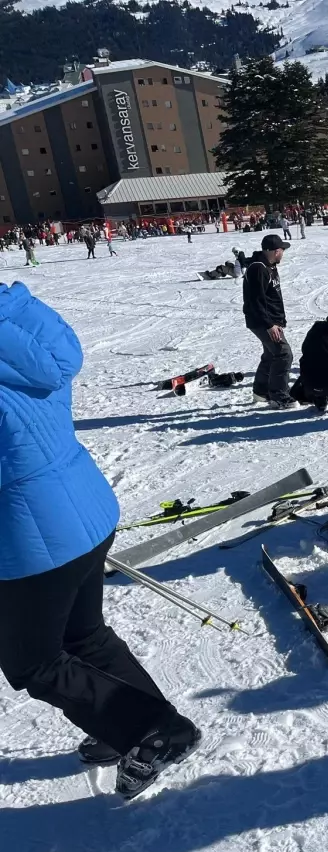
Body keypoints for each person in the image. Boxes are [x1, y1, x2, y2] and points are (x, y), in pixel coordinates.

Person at [0, 282, 200, 799]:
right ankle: (131, 731)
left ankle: (151, 731)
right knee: (83, 637)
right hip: (83, 508)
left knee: (33, 661)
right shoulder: (19, 318)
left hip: (32, 535)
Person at [243, 233, 295, 409]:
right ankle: (279, 395)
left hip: (271, 320)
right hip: (262, 321)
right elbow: (255, 301)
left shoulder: (270, 265)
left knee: (271, 354)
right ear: (274, 251)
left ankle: (261, 391)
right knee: (283, 353)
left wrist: (279, 320)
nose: (283, 253)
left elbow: (272, 296)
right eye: (281, 250)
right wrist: (269, 324)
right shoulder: (258, 268)